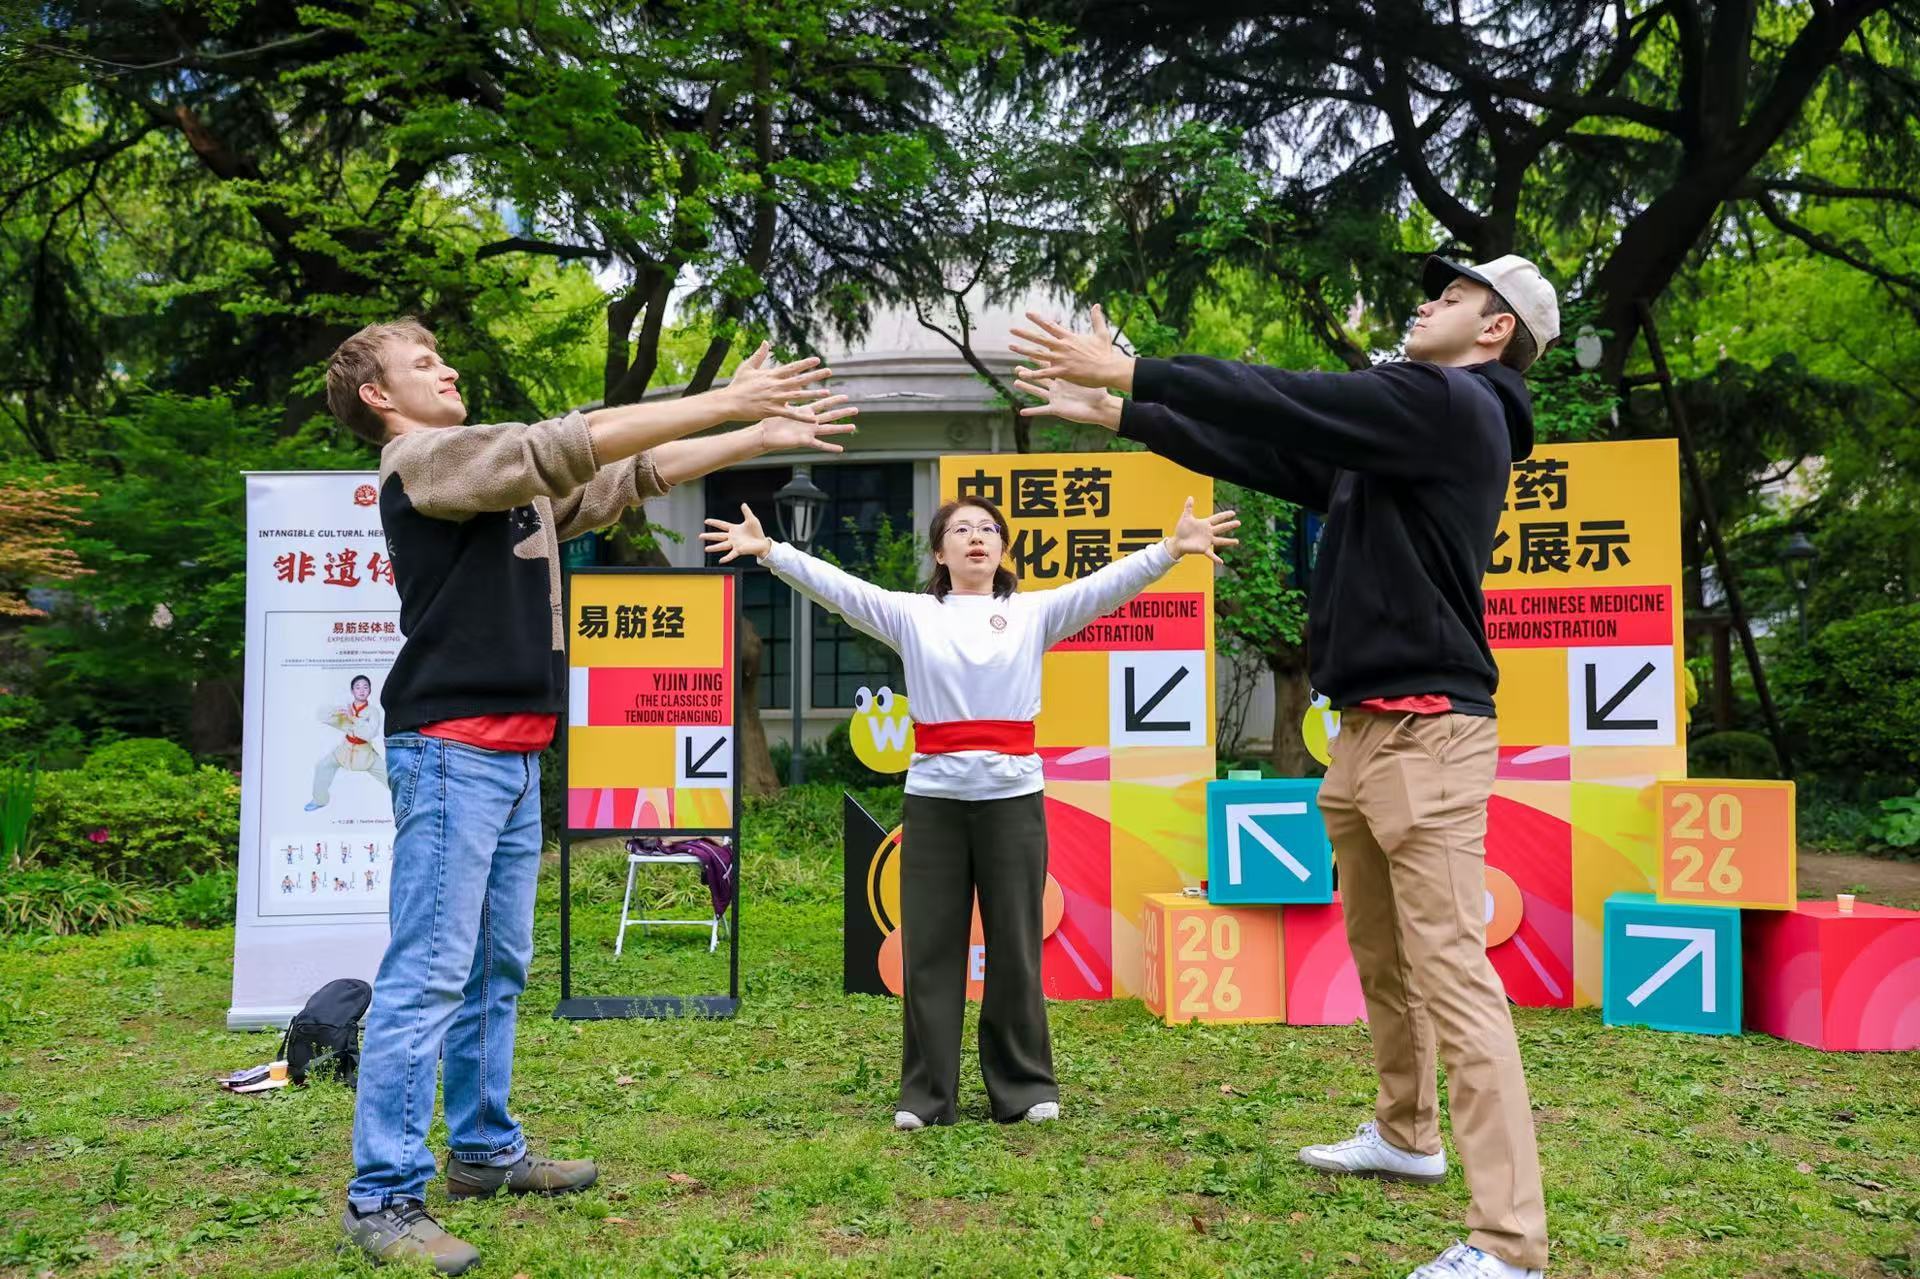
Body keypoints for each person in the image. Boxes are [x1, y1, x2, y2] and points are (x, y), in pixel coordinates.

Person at [1009, 254, 1560, 1279]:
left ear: (1495, 332)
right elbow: (1272, 448)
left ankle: (1510, 1243)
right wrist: (1128, 412)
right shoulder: (1402, 440)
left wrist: (1138, 371)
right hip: (1368, 734)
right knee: (1385, 958)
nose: (1428, 300)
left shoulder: (1454, 405)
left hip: (1430, 734)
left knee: (1454, 978)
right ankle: (1407, 1132)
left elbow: (1286, 394)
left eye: (1453, 296)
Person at [325, 316, 850, 1275]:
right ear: (378, 396)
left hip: (514, 757)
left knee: (497, 969)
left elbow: (621, 478)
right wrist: (726, 398)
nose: (447, 368)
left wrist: (753, 434)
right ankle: (383, 1196)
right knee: (428, 976)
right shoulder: (426, 462)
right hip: (449, 752)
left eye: (443, 356)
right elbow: (561, 443)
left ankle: (483, 1151)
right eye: (423, 363)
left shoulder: (497, 489)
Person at [703, 492, 1238, 1130]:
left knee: (1016, 942)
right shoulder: (912, 615)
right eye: (960, 530)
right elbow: (840, 591)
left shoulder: (1033, 612)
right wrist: (771, 551)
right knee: (930, 946)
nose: (976, 537)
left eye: (987, 529)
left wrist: (1170, 549)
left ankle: (1023, 1087)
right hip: (935, 800)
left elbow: (1105, 588)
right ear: (940, 551)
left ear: (1002, 548)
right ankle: (927, 1095)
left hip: (1013, 798)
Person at [306, 674, 387, 811]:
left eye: (365, 687)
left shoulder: (373, 712)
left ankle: (408, 802)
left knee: (390, 778)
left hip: (365, 753)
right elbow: (322, 716)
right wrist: (336, 712)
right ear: (352, 691)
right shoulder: (346, 707)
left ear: (370, 690)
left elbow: (369, 734)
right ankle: (320, 800)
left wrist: (353, 718)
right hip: (345, 750)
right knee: (322, 766)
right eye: (357, 687)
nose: (361, 690)